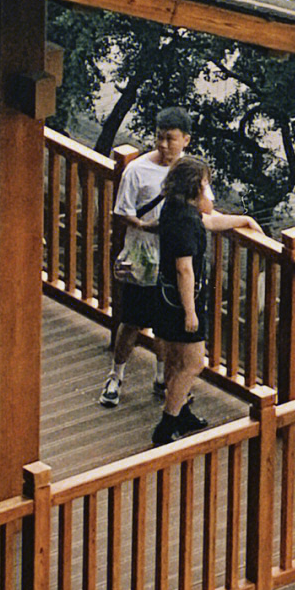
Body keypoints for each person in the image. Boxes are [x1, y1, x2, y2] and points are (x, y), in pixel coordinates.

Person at [151, 154, 262, 446]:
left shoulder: (175, 209)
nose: (208, 190)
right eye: (205, 184)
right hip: (180, 301)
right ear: (195, 188)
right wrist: (190, 312)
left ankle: (182, 411)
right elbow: (183, 268)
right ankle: (166, 424)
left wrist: (245, 219)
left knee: (177, 360)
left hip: (165, 296)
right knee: (193, 363)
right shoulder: (185, 222)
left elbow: (211, 220)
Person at [100, 107, 197, 408]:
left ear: (186, 140)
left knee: (166, 326)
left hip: (174, 259)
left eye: (171, 139)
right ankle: (116, 375)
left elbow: (204, 207)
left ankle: (162, 378)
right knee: (131, 321)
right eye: (159, 138)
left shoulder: (190, 171)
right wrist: (143, 226)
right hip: (143, 255)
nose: (164, 145)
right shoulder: (137, 170)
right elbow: (122, 210)